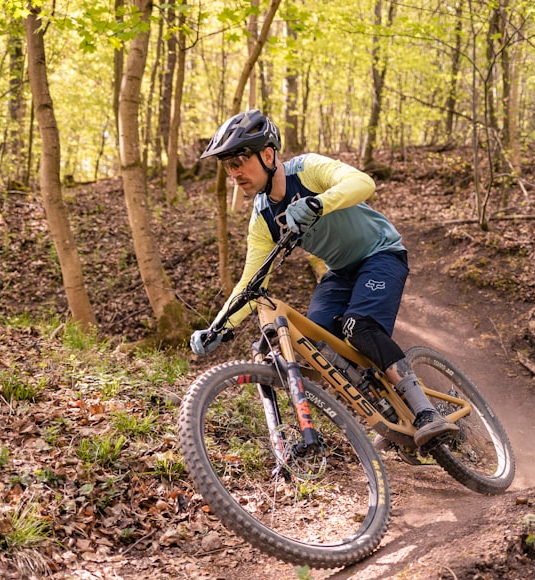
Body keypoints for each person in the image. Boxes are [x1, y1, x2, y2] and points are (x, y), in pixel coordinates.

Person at [190, 109, 458, 449]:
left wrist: (319, 203)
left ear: (268, 154)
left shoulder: (307, 169)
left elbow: (363, 183)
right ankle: (391, 412)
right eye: (228, 165)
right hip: (340, 271)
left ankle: (426, 412)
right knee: (313, 339)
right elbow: (251, 282)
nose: (235, 172)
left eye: (241, 159)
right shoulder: (263, 219)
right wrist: (219, 326)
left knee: (358, 326)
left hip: (381, 253)